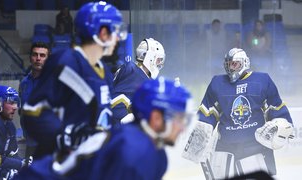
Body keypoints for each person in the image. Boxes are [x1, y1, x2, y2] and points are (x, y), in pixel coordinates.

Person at [14, 77, 194, 180]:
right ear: (156, 118)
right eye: (179, 119)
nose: (183, 127)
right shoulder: (134, 151)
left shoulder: (147, 147)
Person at [21, 1, 127, 159]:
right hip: (60, 164)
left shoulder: (102, 70)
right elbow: (32, 112)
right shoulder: (65, 62)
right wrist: (66, 138)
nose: (117, 38)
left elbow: (101, 115)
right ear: (102, 33)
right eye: (114, 32)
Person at [182, 48, 294, 179]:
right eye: (228, 64)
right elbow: (208, 113)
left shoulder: (262, 81)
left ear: (245, 63)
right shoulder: (217, 84)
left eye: (234, 63)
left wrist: (282, 125)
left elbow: (275, 107)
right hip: (226, 146)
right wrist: (198, 141)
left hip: (255, 146)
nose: (231, 67)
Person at [111, 38, 165, 124]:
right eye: (158, 60)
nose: (159, 63)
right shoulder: (135, 74)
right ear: (150, 58)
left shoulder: (135, 71)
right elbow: (116, 102)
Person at [0, 85, 31, 179]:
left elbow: (12, 155)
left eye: (16, 103)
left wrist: (25, 163)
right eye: (11, 102)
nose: (15, 107)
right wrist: (20, 164)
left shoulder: (10, 126)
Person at [19, 42, 50, 159]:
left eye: (42, 56)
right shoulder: (24, 83)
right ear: (30, 58)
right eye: (35, 55)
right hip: (30, 144)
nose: (38, 58)